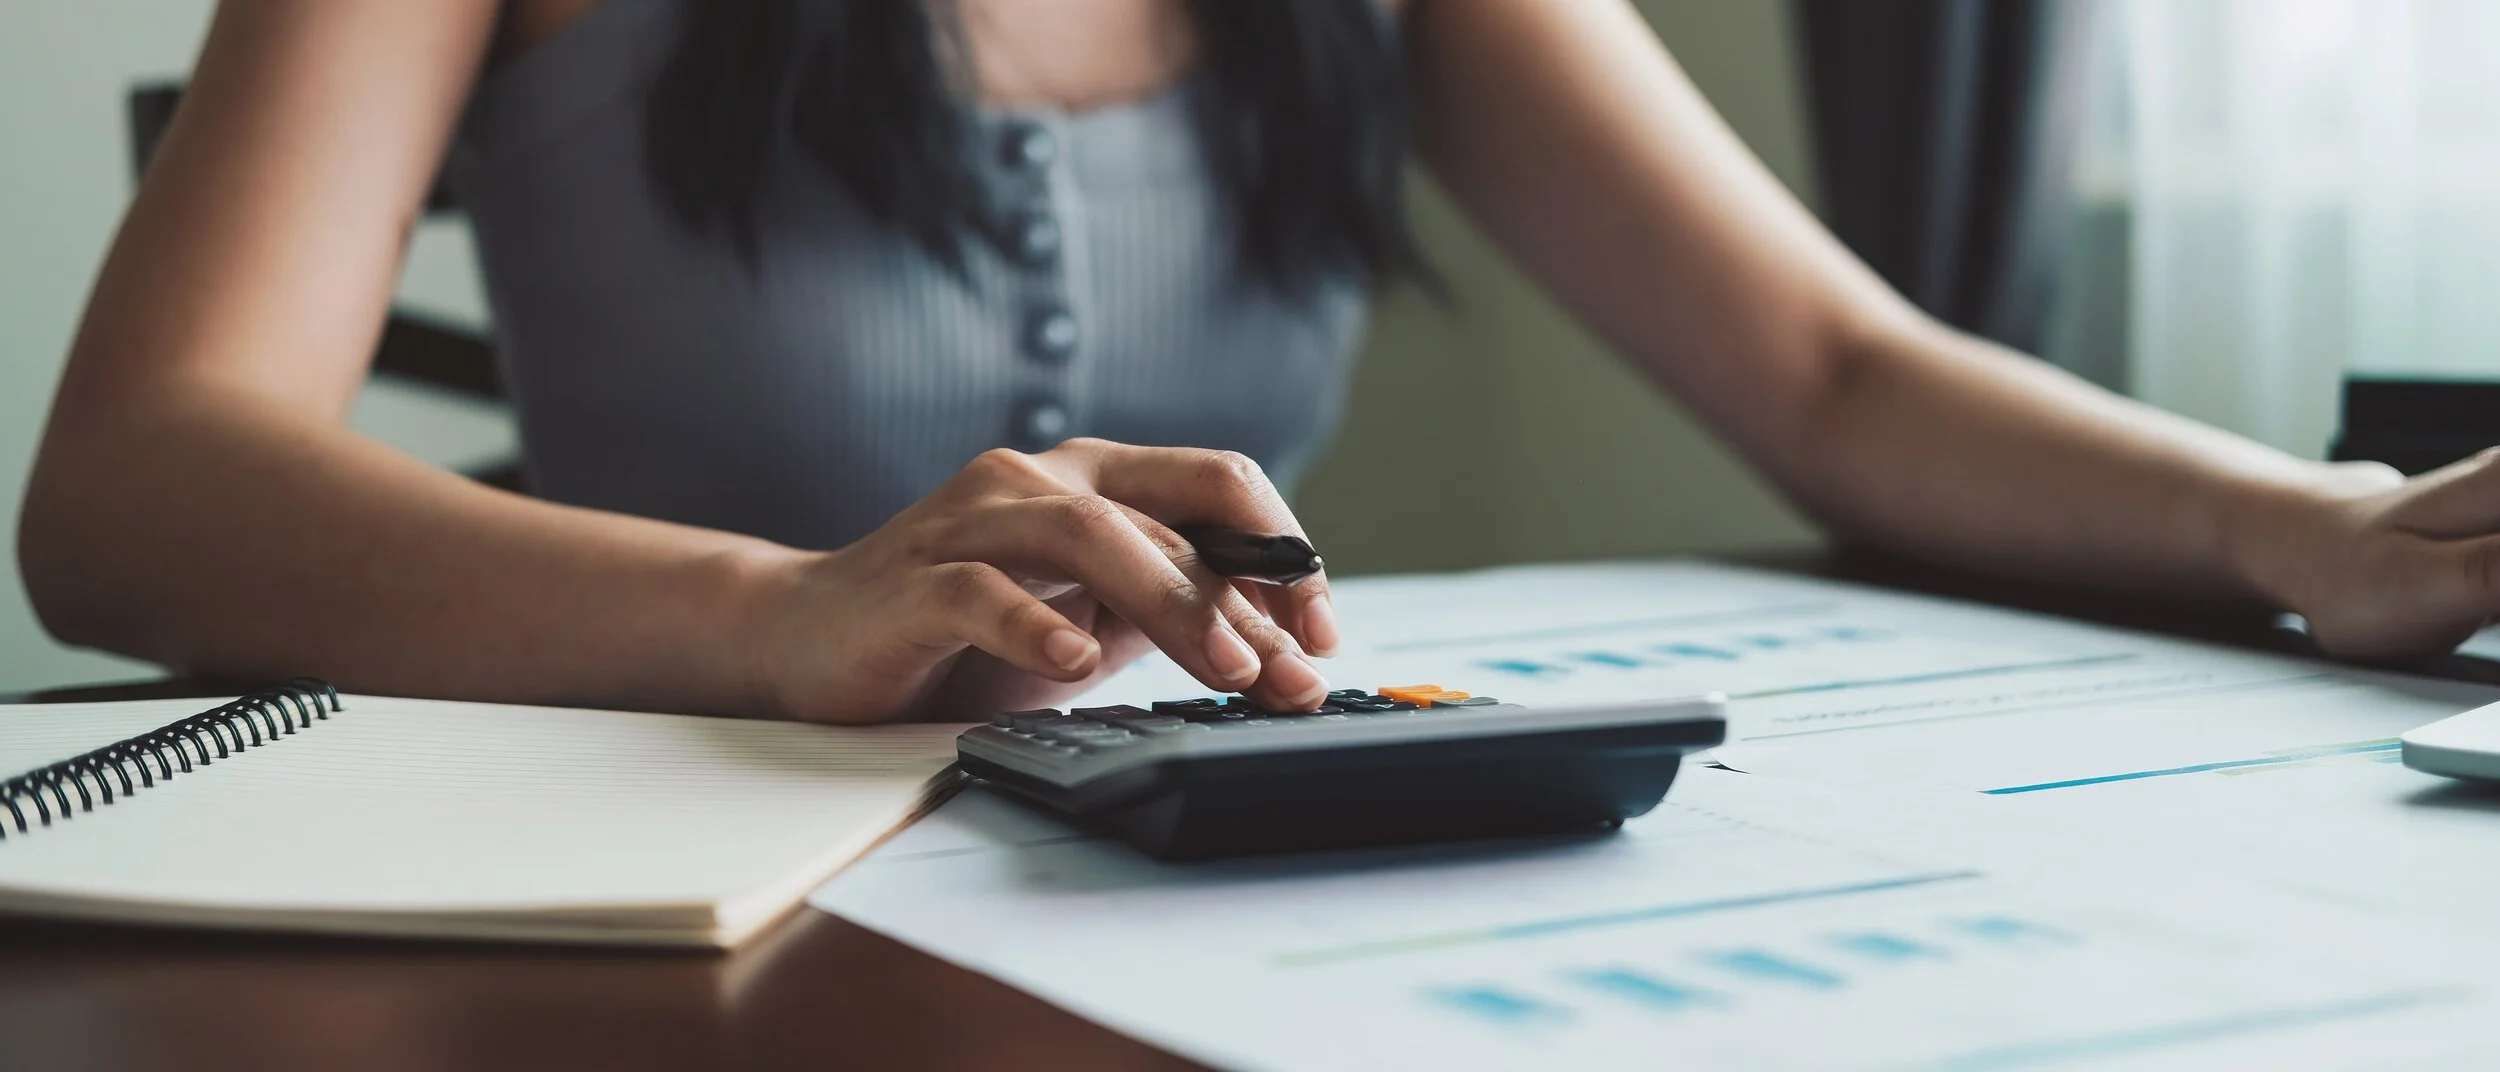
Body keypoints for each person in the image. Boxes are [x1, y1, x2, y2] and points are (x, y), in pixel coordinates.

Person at [20, 0, 2499, 725]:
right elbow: (134, 478)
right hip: (676, 905)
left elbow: (1829, 370)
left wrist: (2299, 525)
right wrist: (772, 612)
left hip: (1218, 877)